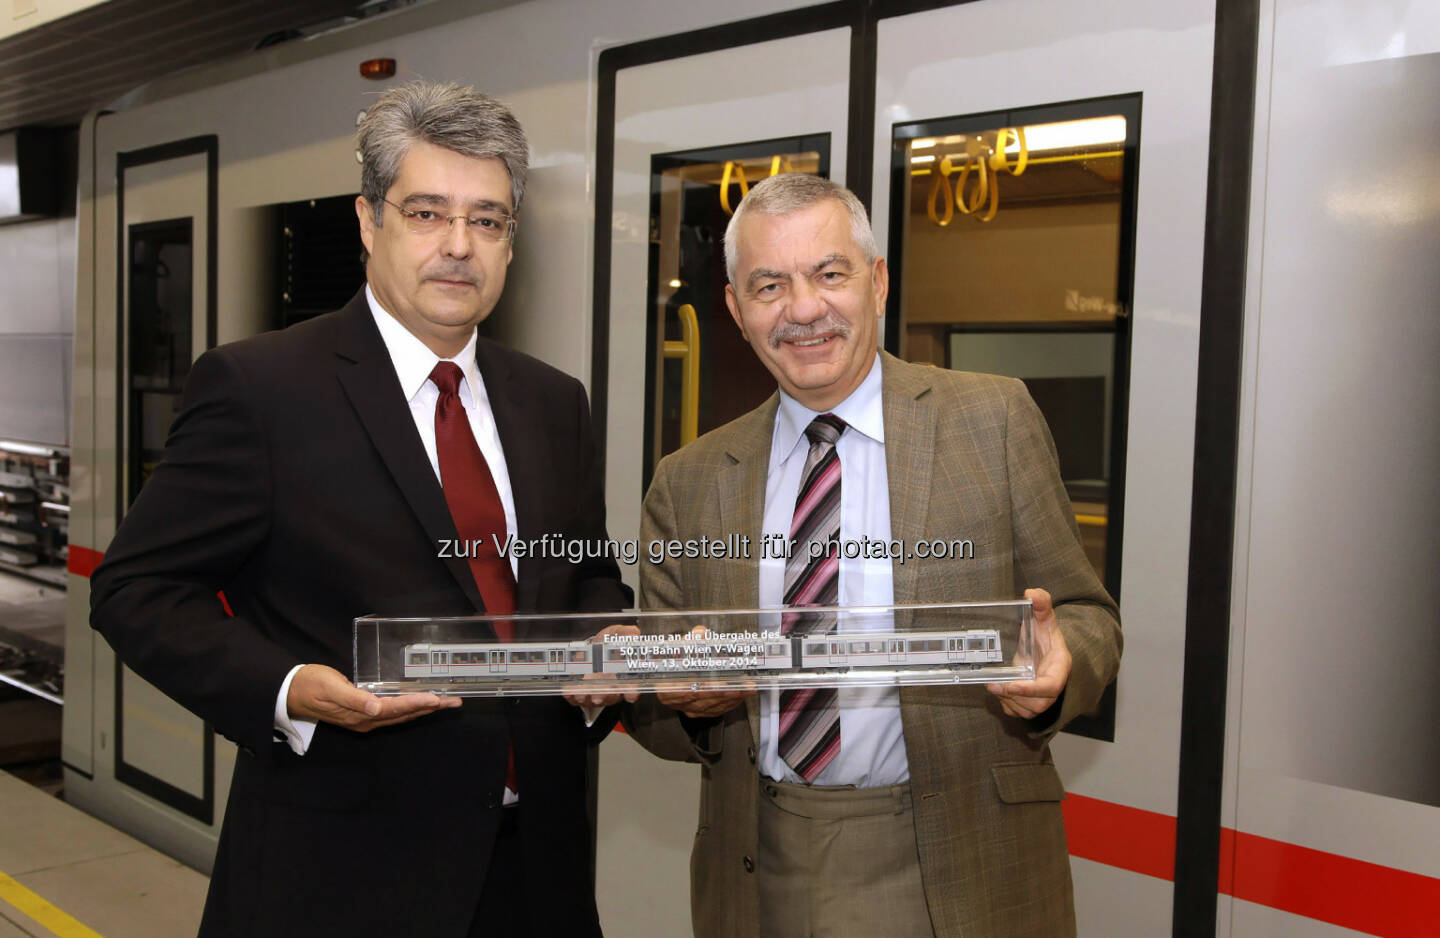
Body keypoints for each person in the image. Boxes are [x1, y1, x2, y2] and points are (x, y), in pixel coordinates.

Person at [89, 81, 630, 937]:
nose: (460, 246)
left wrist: (614, 643)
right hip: (337, 883)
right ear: (369, 221)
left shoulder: (554, 402)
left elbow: (585, 576)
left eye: (487, 220)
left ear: (511, 240)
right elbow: (136, 589)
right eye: (426, 213)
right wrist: (290, 688)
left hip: (537, 878)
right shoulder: (261, 389)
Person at [624, 173, 1121, 937]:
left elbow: (1086, 617)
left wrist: (1059, 672)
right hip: (761, 867)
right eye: (769, 286)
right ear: (735, 309)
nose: (804, 310)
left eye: (830, 274)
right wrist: (681, 697)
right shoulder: (688, 483)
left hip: (962, 861)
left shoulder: (993, 421)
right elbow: (657, 710)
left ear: (877, 282)